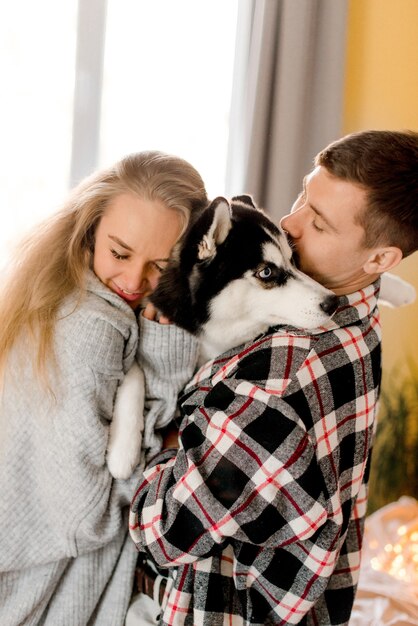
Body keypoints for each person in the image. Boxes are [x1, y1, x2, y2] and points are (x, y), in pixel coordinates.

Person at [129, 130, 418, 626]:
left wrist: (173, 438)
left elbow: (163, 528)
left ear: (379, 259)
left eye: (320, 223)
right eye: (306, 193)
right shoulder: (357, 306)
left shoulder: (277, 383)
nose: (290, 221)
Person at [0, 150, 208, 625]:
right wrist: (166, 365)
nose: (134, 281)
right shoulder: (93, 327)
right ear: (90, 228)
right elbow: (83, 513)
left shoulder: (57, 293)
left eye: (161, 264)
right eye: (120, 252)